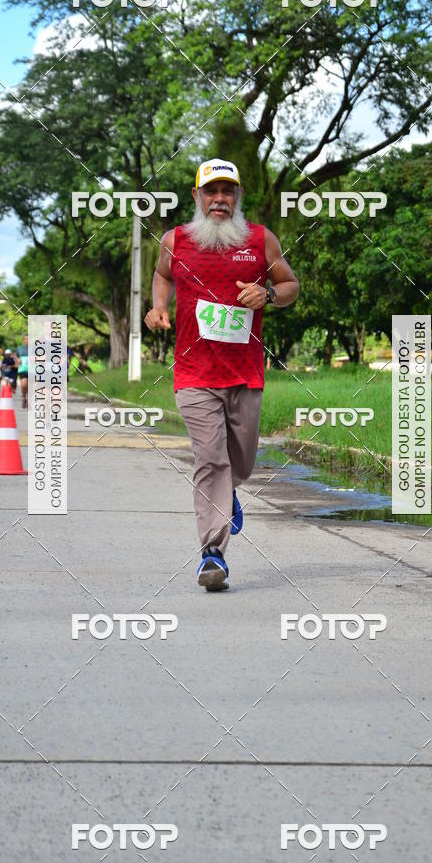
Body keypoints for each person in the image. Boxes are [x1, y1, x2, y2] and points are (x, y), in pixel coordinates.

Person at [145, 158, 299, 590]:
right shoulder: (175, 241)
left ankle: (227, 491)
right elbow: (161, 276)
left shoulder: (260, 240)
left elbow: (290, 286)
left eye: (227, 191)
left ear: (237, 198)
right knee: (211, 459)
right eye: (210, 191)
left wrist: (268, 293)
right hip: (194, 374)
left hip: (245, 375)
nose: (219, 199)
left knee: (241, 464)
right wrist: (159, 306)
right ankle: (212, 554)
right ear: (196, 197)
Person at [15, 333, 29, 409]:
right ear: (23, 340)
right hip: (22, 369)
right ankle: (24, 398)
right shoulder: (19, 348)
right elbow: (14, 355)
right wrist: (17, 360)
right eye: (26, 339)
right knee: (24, 384)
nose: (27, 340)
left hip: (32, 370)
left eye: (29, 339)